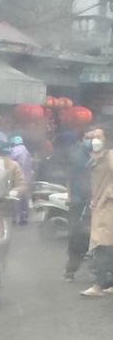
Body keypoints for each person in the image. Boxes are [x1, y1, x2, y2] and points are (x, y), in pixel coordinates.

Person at [80, 126, 113, 296]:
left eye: (99, 136)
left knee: (102, 246)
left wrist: (105, 197)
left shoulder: (110, 156)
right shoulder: (97, 158)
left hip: (108, 208)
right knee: (107, 247)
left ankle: (99, 285)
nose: (95, 140)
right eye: (93, 137)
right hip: (100, 207)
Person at [63, 128, 95, 281]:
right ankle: (71, 269)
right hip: (78, 199)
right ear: (82, 139)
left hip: (100, 202)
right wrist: (69, 195)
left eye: (94, 137)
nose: (92, 140)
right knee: (78, 234)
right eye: (88, 137)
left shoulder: (104, 155)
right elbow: (70, 177)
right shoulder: (76, 156)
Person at [9, 136, 32, 224]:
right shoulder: (26, 151)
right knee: (25, 198)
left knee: (15, 197)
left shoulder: (14, 151)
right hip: (27, 178)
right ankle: (24, 218)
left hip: (18, 178)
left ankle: (15, 218)